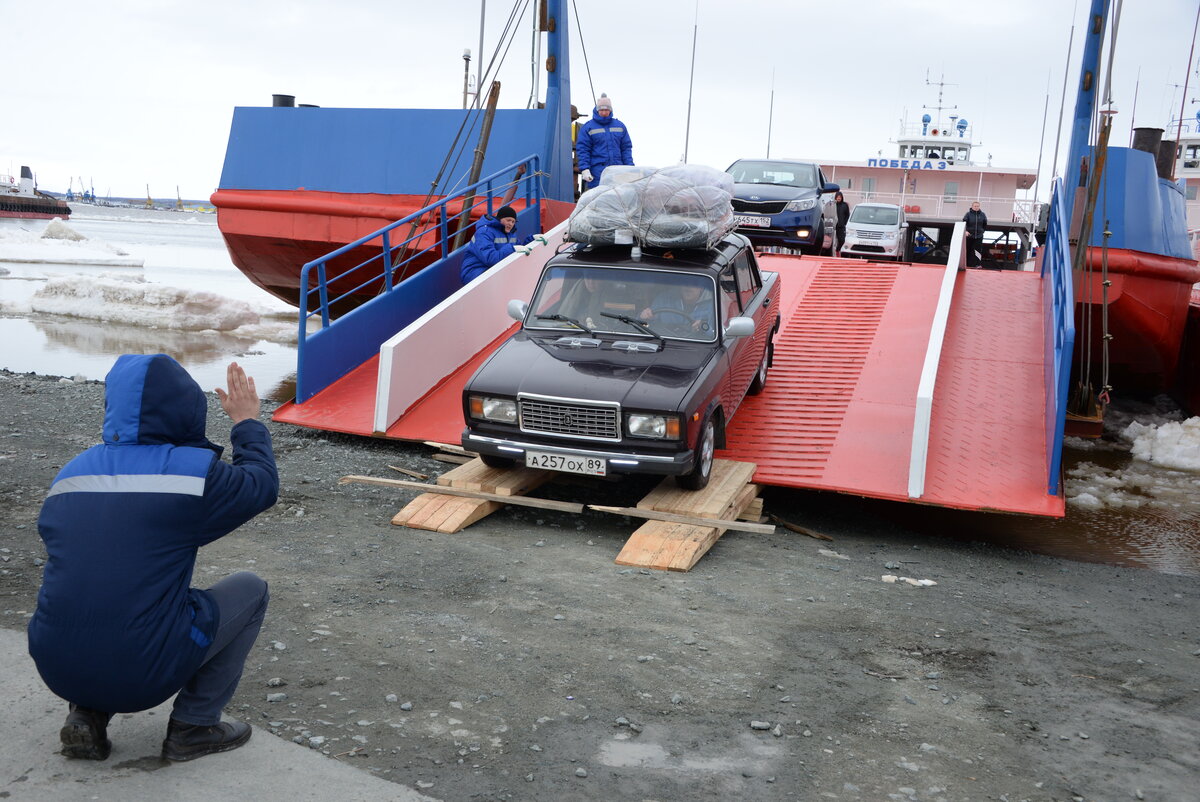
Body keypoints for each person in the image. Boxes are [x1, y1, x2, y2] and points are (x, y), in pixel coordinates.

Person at [27, 355, 279, 762]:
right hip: (141, 674)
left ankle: (86, 714)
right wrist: (246, 421)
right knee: (251, 589)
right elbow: (262, 485)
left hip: (55, 664)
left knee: (97, 586)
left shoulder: (71, 473)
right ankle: (194, 727)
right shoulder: (193, 475)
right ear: (186, 407)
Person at [459, 205, 538, 284]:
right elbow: (490, 258)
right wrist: (512, 249)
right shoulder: (484, 232)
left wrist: (532, 240)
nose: (511, 224)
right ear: (499, 219)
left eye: (513, 222)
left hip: (492, 271)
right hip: (475, 272)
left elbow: (520, 248)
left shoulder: (511, 234)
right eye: (508, 220)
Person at [576, 93, 634, 190]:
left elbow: (626, 149)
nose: (604, 113)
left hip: (617, 172)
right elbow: (583, 149)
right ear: (597, 110)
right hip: (597, 174)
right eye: (601, 110)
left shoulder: (620, 126)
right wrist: (585, 169)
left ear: (610, 110)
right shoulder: (588, 127)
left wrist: (630, 168)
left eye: (606, 110)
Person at [640, 282, 715, 335]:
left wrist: (703, 328)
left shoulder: (712, 305)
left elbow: (716, 334)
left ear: (701, 287)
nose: (688, 286)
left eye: (693, 283)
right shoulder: (664, 299)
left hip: (697, 347)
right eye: (685, 282)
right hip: (663, 342)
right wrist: (643, 318)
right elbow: (644, 326)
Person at [963, 200, 988, 267]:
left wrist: (982, 231)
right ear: (972, 206)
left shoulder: (983, 214)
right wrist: (965, 231)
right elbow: (964, 223)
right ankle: (966, 264)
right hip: (969, 235)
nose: (976, 207)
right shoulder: (968, 214)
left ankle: (978, 264)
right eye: (975, 206)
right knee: (968, 249)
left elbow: (985, 224)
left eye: (977, 206)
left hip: (979, 236)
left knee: (978, 251)